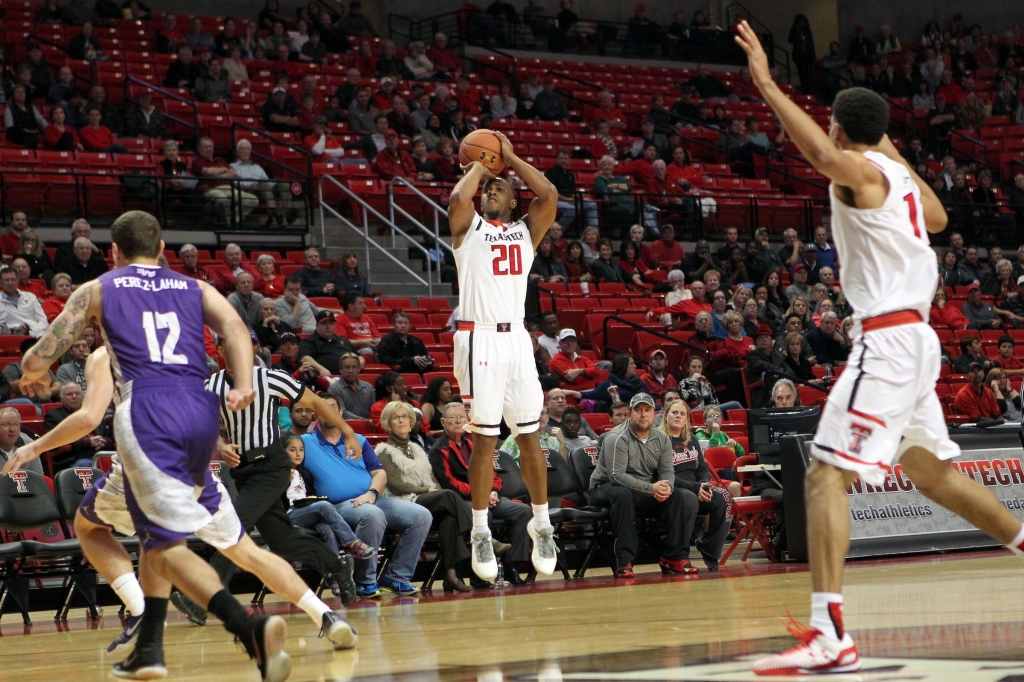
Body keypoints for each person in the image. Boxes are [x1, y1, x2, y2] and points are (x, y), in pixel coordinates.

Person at [736, 23, 1024, 675]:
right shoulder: (904, 183)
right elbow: (941, 218)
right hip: (919, 339)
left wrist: (765, 84)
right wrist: (873, 127)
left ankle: (829, 634)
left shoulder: (862, 175)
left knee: (824, 471)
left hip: (889, 339)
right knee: (932, 472)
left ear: (839, 129)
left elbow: (823, 158)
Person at [1, 211, 357, 676]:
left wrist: (32, 371)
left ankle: (246, 626)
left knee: (164, 544)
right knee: (142, 533)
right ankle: (151, 644)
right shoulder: (196, 288)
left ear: (113, 251)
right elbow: (233, 326)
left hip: (148, 413)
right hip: (199, 412)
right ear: (164, 247)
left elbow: (43, 360)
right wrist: (246, 378)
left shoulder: (100, 290)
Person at [169, 336, 364, 620]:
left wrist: (347, 432)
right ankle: (336, 566)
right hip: (244, 471)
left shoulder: (269, 378)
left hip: (271, 465)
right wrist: (221, 446)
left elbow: (315, 402)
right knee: (283, 540)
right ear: (221, 351)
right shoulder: (210, 386)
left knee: (231, 529)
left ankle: (202, 600)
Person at [446, 128, 559, 581]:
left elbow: (548, 193)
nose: (490, 190)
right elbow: (458, 198)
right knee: (486, 438)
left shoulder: (526, 232)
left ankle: (543, 523)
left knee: (530, 434)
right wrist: (483, 164)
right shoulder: (468, 229)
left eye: (499, 187)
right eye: (486, 188)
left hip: (517, 341)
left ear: (514, 200)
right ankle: (478, 530)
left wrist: (509, 157)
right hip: (480, 340)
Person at [301, 398, 431, 598]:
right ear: (315, 414)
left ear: (341, 413)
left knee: (421, 515)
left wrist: (371, 493)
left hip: (371, 497)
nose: (327, 411)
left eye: (332, 408)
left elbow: (380, 473)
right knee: (372, 515)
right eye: (322, 408)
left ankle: (397, 576)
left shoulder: (358, 440)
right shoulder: (305, 442)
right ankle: (364, 581)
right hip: (336, 505)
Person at [429, 402, 535, 585]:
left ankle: (511, 566)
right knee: (484, 516)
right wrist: (480, 494)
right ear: (443, 421)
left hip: (486, 495)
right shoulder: (439, 449)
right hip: (462, 501)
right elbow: (449, 483)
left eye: (461, 417)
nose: (458, 421)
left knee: (523, 512)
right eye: (453, 417)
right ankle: (479, 574)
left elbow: (492, 473)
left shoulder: (475, 443)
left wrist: (492, 491)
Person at [588, 392, 692, 578]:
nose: (643, 415)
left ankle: (675, 557)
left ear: (654, 413)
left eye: (647, 410)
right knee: (622, 494)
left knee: (684, 497)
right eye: (638, 410)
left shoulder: (662, 438)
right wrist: (651, 488)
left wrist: (666, 486)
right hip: (604, 488)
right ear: (630, 413)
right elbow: (616, 476)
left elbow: (667, 471)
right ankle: (624, 561)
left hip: (642, 489)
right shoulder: (616, 437)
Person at [376, 400, 477, 592]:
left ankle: (451, 575)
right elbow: (396, 485)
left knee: (449, 517)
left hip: (426, 499)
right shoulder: (384, 451)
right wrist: (428, 491)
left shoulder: (417, 449)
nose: (402, 420)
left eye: (405, 416)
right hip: (403, 502)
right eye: (396, 417)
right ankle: (477, 536)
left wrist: (434, 491)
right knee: (448, 495)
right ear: (388, 423)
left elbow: (433, 479)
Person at [659, 398, 730, 571]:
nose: (678, 416)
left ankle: (709, 547)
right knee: (689, 498)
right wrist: (695, 488)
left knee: (724, 497)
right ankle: (678, 556)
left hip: (696, 487)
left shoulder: (691, 440)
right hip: (672, 488)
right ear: (666, 415)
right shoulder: (659, 441)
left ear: (686, 420)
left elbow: (702, 469)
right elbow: (665, 475)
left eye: (682, 414)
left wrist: (704, 484)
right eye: (674, 412)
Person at [298, 310, 356, 374]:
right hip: (322, 379)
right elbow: (305, 358)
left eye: (331, 323)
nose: (328, 327)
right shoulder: (309, 341)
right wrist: (321, 369)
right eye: (324, 323)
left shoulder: (344, 340)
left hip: (347, 377)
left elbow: (357, 355)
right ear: (317, 325)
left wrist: (360, 360)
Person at [0, 266, 48, 336]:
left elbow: (43, 320)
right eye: (7, 280)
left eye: (13, 279)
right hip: (13, 336)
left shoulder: (30, 296)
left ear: (18, 281)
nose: (10, 283)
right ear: (1, 282)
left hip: (37, 334)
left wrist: (34, 332)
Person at [327, 352, 375, 420]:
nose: (351, 371)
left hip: (368, 427)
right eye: (347, 367)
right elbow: (342, 413)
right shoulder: (334, 389)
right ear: (341, 369)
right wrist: (365, 421)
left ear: (359, 369)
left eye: (354, 367)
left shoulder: (368, 387)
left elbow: (373, 410)